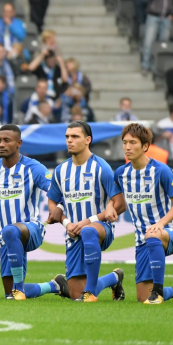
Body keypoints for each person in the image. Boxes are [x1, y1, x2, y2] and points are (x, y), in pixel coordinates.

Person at [0, 124, 69, 300]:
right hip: (5, 237)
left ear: (19, 143)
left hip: (31, 229)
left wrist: (59, 207)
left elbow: (58, 191)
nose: (1, 144)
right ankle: (54, 285)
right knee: (8, 295)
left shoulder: (33, 168)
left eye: (6, 140)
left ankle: (19, 288)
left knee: (11, 230)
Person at [45, 121, 126, 302]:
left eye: (75, 137)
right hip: (73, 234)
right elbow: (52, 202)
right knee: (75, 295)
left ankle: (90, 293)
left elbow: (120, 204)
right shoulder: (61, 170)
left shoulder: (101, 167)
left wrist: (88, 221)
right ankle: (114, 278)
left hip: (100, 229)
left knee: (89, 231)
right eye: (67, 137)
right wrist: (67, 223)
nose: (69, 141)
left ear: (88, 140)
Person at [115, 123, 173, 304]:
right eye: (125, 142)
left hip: (169, 232)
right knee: (141, 297)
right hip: (142, 239)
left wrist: (160, 223)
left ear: (145, 146)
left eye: (133, 142)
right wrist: (111, 210)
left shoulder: (161, 170)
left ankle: (158, 293)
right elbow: (117, 203)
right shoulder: (120, 174)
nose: (127, 147)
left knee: (153, 235)